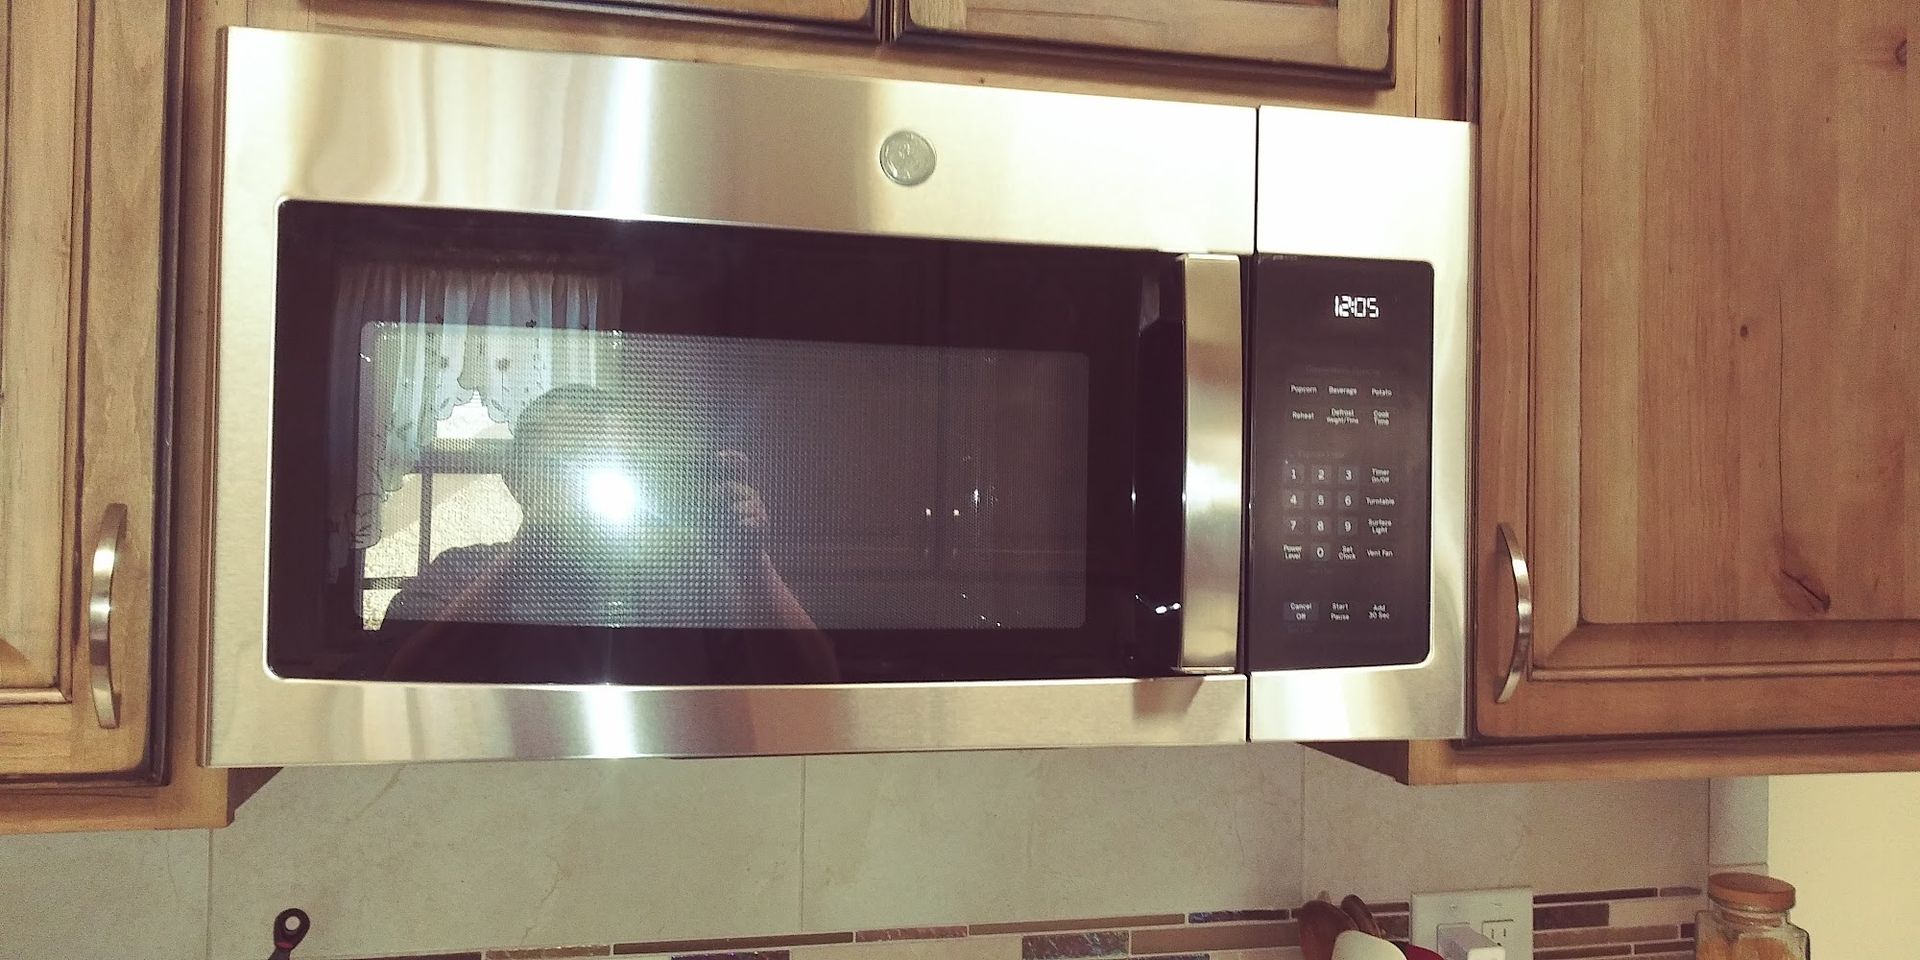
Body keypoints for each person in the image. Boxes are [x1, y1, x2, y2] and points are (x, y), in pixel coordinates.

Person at [375, 385, 837, 683]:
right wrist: (524, 558)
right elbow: (395, 684)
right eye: (567, 464)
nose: (588, 485)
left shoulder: (689, 577)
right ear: (516, 480)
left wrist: (750, 563)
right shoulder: (462, 571)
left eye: (612, 466)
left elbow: (820, 683)